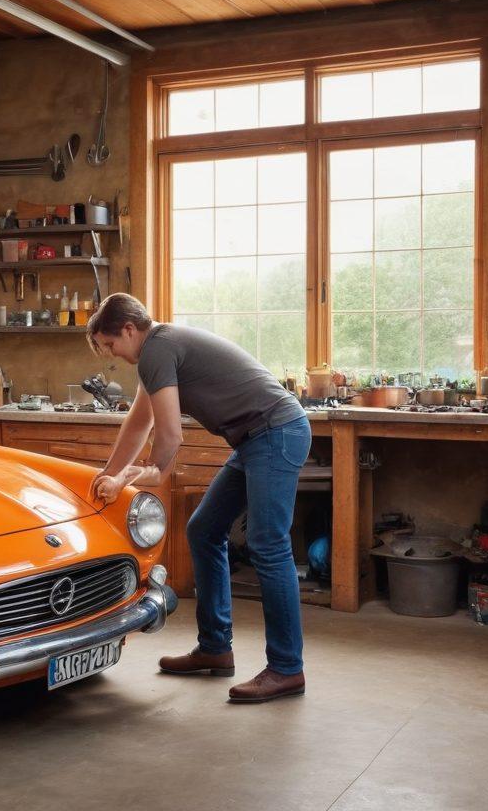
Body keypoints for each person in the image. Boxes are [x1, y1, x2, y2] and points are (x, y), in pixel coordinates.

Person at [87, 293, 310, 703]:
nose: (112, 355)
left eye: (110, 345)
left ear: (129, 330)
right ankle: (215, 648)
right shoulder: (158, 351)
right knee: (204, 530)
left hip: (276, 432)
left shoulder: (157, 348)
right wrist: (110, 473)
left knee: (269, 545)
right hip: (255, 439)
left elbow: (171, 435)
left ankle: (285, 669)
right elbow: (140, 423)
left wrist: (156, 470)